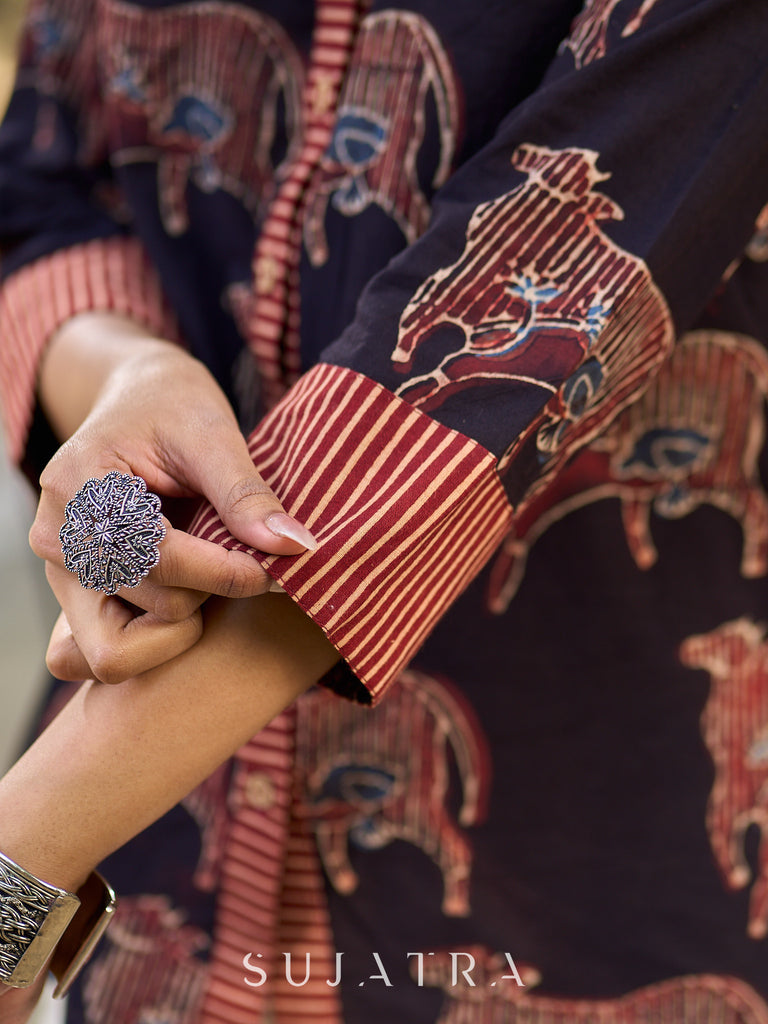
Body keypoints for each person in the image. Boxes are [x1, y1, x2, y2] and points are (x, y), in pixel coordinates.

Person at [1, 0, 768, 1021]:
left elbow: (538, 290)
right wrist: (126, 377)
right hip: (150, 875)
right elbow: (44, 185)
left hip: (569, 881)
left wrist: (20, 866)